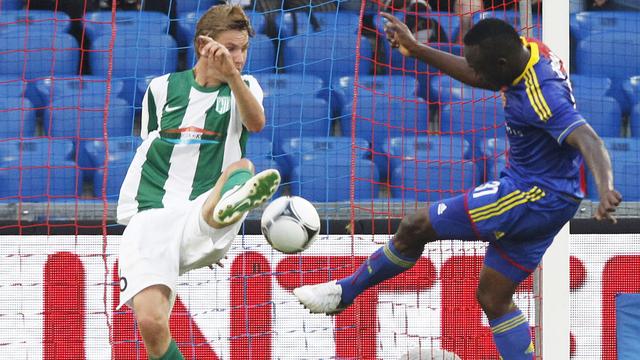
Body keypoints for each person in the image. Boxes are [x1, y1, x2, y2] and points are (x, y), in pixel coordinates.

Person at [294, 13, 622, 359]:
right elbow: (479, 73)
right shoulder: (529, 52)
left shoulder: (543, 94)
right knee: (494, 296)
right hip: (555, 197)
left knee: (415, 225)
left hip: (531, 195)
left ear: (500, 63)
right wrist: (418, 49)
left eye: (480, 70)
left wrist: (606, 189)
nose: (475, 76)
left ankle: (343, 293)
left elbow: (589, 139)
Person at [115, 4, 280, 360]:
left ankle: (219, 216)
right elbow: (149, 147)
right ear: (205, 45)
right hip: (151, 214)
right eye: (231, 48)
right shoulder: (161, 88)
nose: (239, 57)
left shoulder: (245, 87)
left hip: (202, 204)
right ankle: (215, 223)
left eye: (244, 48)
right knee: (151, 321)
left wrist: (233, 77)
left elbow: (256, 123)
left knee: (244, 165)